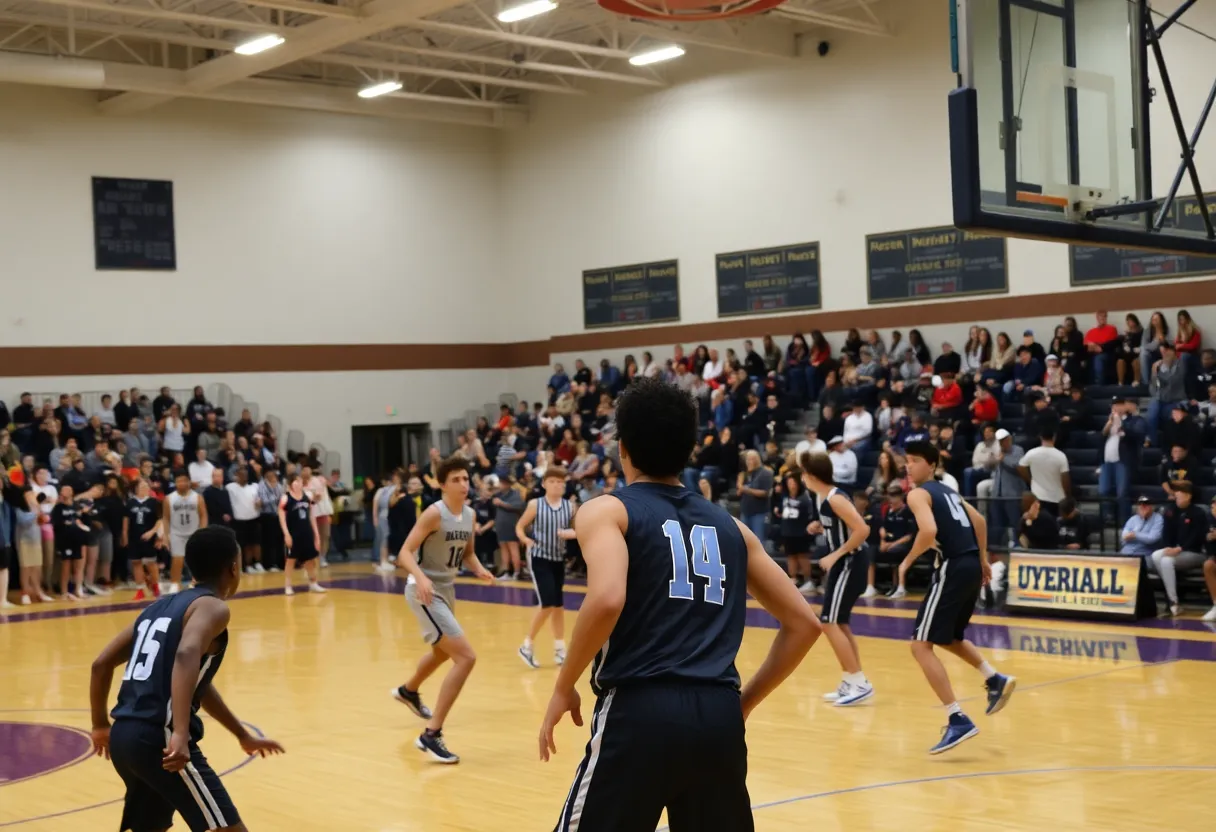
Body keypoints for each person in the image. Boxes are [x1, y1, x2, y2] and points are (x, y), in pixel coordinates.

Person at [539, 377, 821, 831]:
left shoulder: (606, 510)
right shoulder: (733, 528)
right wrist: (742, 704)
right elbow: (805, 624)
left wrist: (563, 683)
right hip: (719, 718)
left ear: (622, 448)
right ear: (691, 448)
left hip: (640, 712)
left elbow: (608, 598)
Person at [88, 526, 285, 832]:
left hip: (125, 736)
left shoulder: (158, 607)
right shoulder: (213, 607)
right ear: (233, 568)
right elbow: (186, 655)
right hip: (161, 740)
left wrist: (100, 725)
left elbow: (101, 665)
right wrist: (180, 731)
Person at [897, 441, 1015, 754]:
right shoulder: (949, 491)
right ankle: (994, 678)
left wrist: (907, 561)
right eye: (906, 461)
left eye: (915, 461)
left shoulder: (918, 493)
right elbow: (979, 521)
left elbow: (927, 530)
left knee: (920, 645)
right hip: (970, 564)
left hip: (952, 566)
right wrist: (983, 559)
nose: (909, 467)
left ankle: (957, 717)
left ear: (932, 465)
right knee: (948, 637)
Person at [390, 456, 494, 764]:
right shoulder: (434, 514)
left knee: (443, 653)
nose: (464, 484)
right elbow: (404, 553)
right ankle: (431, 734)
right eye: (456, 480)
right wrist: (420, 577)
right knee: (466, 657)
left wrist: (480, 569)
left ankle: (409, 690)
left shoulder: (470, 514)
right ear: (442, 484)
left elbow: (469, 553)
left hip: (447, 589)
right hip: (424, 590)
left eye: (466, 479)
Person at [800, 451, 874, 706]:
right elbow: (843, 526)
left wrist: (836, 555)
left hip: (850, 561)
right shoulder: (825, 498)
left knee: (829, 622)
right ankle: (854, 680)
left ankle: (858, 681)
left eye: (803, 474)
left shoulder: (835, 498)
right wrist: (821, 527)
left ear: (810, 476)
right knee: (839, 623)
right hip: (846, 562)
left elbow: (863, 529)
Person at [516, 468, 577, 669]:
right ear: (544, 484)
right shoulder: (535, 504)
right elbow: (520, 526)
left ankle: (560, 649)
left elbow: (579, 529)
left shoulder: (570, 507)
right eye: (553, 481)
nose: (557, 485)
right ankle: (527, 645)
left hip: (558, 559)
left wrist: (571, 533)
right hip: (539, 557)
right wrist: (526, 540)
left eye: (561, 482)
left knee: (558, 605)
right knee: (548, 603)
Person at [1150, 482, 1209, 617]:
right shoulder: (1171, 511)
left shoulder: (1198, 512)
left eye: (1179, 495)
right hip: (1176, 551)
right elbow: (1166, 533)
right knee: (1155, 555)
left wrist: (1180, 548)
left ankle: (1173, 601)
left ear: (1188, 496)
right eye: (1176, 495)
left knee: (1166, 561)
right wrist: (1168, 547)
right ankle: (1173, 597)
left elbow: (1197, 537)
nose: (1176, 497)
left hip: (1194, 552)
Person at [278, 474, 326, 596]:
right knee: (290, 560)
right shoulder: (285, 498)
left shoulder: (307, 497)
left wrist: (316, 535)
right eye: (294, 481)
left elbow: (311, 516)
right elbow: (282, 517)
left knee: (310, 559)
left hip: (306, 532)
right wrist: (286, 534)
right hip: (293, 533)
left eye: (299, 481)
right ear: (290, 484)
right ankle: (288, 586)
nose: (297, 483)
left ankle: (313, 583)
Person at [162, 472, 206, 595]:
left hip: (194, 532)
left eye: (183, 481)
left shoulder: (197, 497)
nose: (181, 483)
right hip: (177, 533)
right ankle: (175, 583)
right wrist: (166, 535)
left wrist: (202, 532)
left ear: (188, 482)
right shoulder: (169, 498)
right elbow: (165, 518)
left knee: (195, 559)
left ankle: (195, 582)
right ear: (175, 483)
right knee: (177, 559)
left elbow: (203, 516)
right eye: (178, 481)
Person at [124, 477, 164, 602]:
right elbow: (126, 520)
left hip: (148, 536)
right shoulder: (130, 503)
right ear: (136, 489)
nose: (144, 489)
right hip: (134, 536)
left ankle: (156, 586)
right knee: (136, 563)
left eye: (146, 487)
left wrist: (153, 533)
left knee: (151, 563)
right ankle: (140, 589)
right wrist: (124, 535)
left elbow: (159, 520)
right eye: (141, 487)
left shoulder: (154, 502)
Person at [777, 473, 816, 594]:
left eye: (793, 482)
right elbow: (780, 511)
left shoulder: (805, 498)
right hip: (787, 531)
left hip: (800, 532)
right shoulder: (784, 497)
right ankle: (793, 579)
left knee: (802, 556)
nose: (791, 485)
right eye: (789, 483)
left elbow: (810, 514)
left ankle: (808, 581)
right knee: (790, 556)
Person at [1017, 430, 1071, 517]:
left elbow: (1020, 467)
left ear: (1040, 437)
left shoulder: (1032, 453)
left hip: (1037, 497)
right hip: (1056, 498)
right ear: (1054, 437)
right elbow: (1065, 478)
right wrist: (1068, 495)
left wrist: (1030, 480)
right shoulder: (1061, 456)